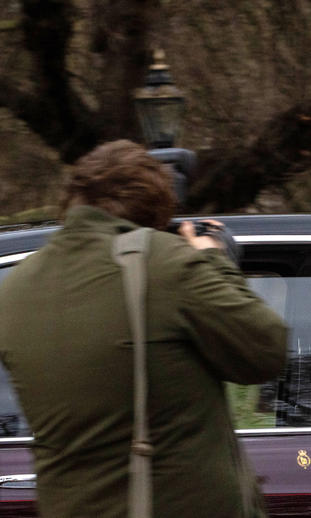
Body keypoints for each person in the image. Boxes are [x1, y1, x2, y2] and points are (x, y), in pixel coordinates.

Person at [0, 140, 288, 518]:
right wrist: (213, 259)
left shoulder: (15, 287)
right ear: (155, 211)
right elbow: (265, 352)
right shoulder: (163, 262)